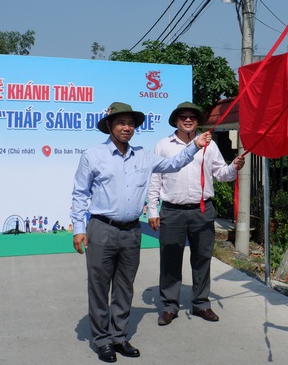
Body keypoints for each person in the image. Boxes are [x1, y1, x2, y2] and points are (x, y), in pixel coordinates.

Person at [71, 101, 212, 363]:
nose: (127, 128)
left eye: (131, 124)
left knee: (125, 287)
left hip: (132, 231)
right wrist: (79, 228)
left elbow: (174, 164)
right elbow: (80, 194)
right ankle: (102, 340)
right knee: (100, 287)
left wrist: (195, 144)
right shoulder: (93, 156)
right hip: (102, 228)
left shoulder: (143, 156)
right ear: (110, 126)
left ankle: (119, 337)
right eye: (121, 123)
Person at [147, 102, 245, 326]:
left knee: (202, 258)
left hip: (202, 210)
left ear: (198, 121)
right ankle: (170, 306)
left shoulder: (209, 145)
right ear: (176, 120)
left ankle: (201, 303)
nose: (188, 119)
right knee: (170, 260)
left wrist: (234, 167)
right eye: (183, 116)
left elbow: (221, 174)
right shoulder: (163, 145)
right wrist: (153, 209)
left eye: (192, 116)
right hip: (172, 211)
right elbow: (154, 180)